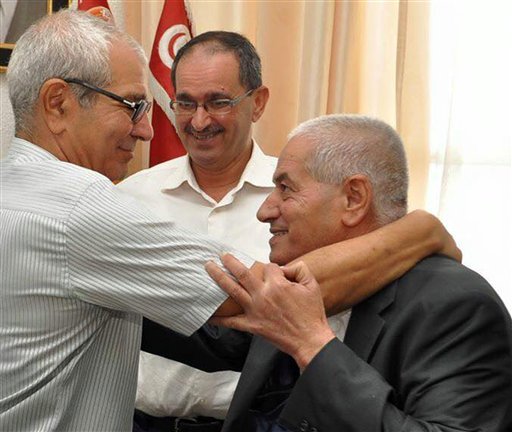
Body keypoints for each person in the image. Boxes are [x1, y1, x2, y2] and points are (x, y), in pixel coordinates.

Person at [0, 14, 457, 431]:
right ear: (58, 103)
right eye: (133, 105)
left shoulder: (15, 189)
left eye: (217, 102)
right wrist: (420, 231)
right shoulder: (83, 207)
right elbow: (266, 300)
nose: (146, 130)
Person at [119, 33, 462, 431]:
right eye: (185, 102)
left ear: (257, 101)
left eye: (218, 102)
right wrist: (422, 230)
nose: (199, 121)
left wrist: (313, 345)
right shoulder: (124, 201)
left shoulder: (449, 303)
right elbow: (232, 334)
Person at [208, 115, 512, 431]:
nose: (265, 211)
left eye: (286, 189)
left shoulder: (458, 306)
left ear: (354, 198)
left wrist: (312, 345)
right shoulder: (298, 282)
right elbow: (211, 334)